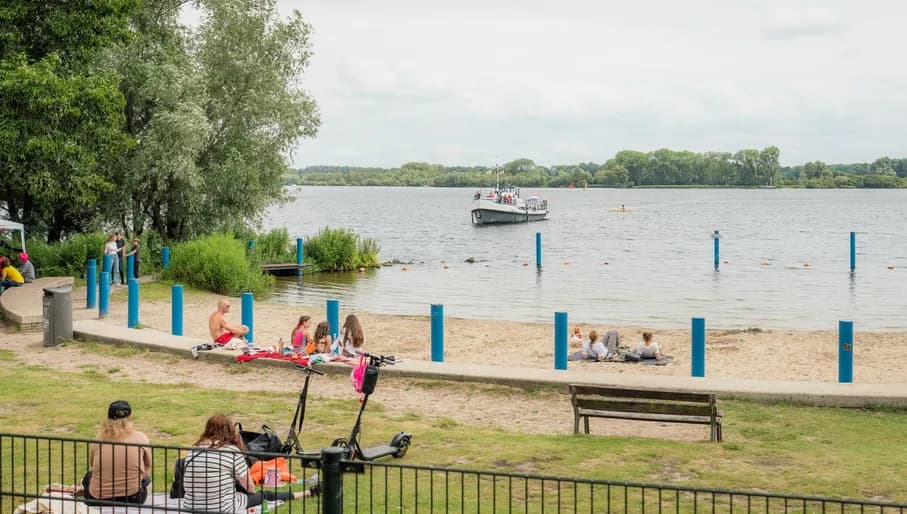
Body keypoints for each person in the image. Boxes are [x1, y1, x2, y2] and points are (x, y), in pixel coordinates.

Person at [182, 414, 318, 513]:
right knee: (265, 495)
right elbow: (250, 488)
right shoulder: (231, 451)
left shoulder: (194, 450)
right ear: (229, 431)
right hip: (221, 507)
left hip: (190, 505)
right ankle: (306, 493)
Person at [81, 400, 152, 507]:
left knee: (88, 476)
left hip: (96, 498)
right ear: (130, 417)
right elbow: (148, 466)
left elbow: (92, 466)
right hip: (133, 498)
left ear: (108, 418)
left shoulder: (98, 439)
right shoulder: (140, 438)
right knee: (146, 480)